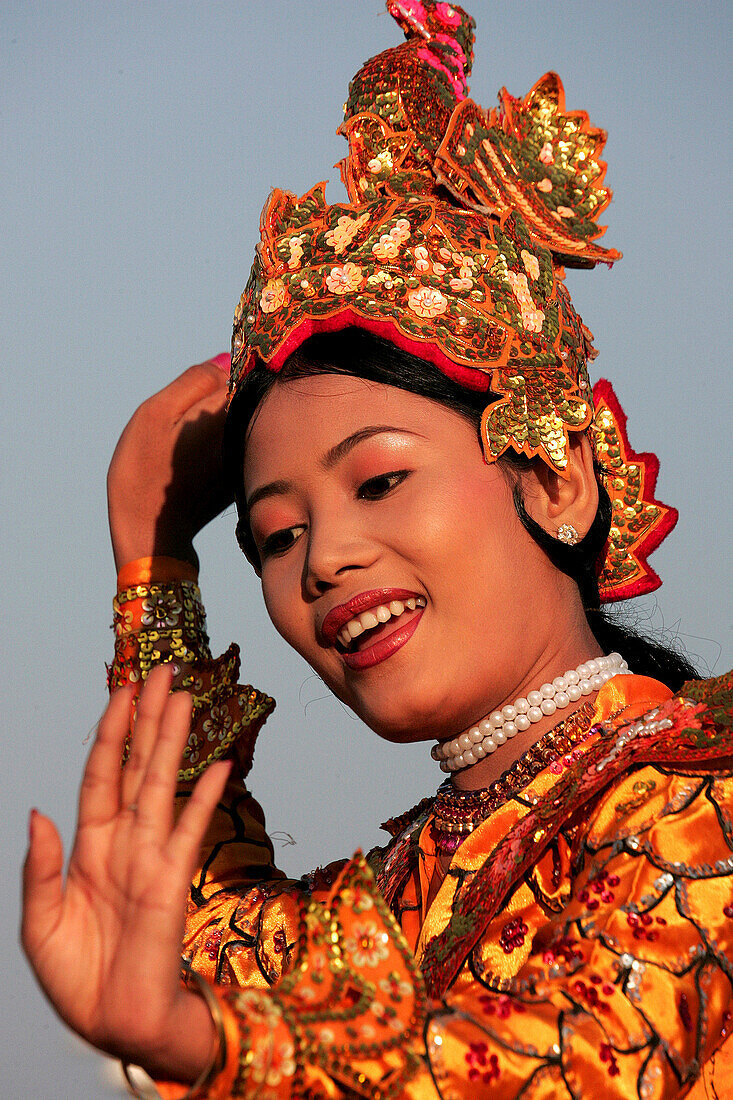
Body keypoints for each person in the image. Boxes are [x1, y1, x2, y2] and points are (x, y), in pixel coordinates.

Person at [21, 2, 732, 1097]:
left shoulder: (698, 799)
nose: (324, 560)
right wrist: (153, 563)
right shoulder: (392, 886)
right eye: (274, 534)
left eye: (380, 479)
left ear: (552, 473)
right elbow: (186, 957)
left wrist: (214, 1044)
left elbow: (564, 1062)